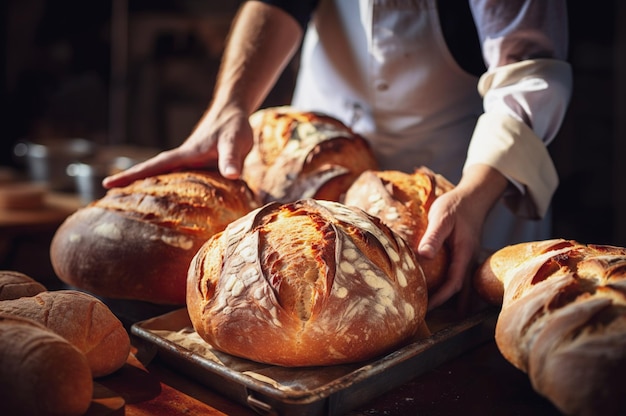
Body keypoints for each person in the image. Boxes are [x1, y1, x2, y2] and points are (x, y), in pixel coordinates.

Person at [103, 0, 572, 310]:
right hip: (306, 162)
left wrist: (476, 191)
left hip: (457, 189)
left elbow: (528, 71)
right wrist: (230, 105)